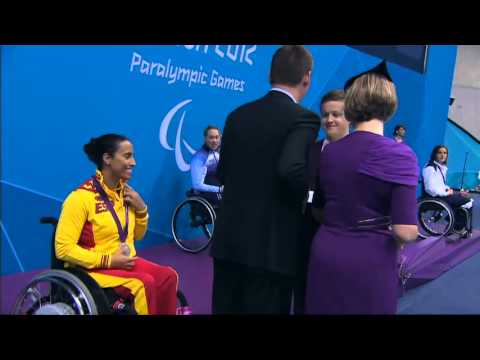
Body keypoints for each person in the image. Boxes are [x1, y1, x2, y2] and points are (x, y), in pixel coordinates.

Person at [210, 45, 321, 314]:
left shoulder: (238, 115)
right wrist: (311, 195)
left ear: (270, 73)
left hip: (229, 243)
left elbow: (222, 173)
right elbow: (290, 168)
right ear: (307, 77)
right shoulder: (304, 118)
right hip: (273, 249)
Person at [305, 61, 419, 314]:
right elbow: (405, 231)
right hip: (370, 259)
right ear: (389, 102)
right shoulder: (401, 155)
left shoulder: (330, 152)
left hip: (324, 251)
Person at [55, 134, 179, 315]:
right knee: (142, 284)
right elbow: (63, 249)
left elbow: (137, 235)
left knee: (168, 277)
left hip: (123, 263)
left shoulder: (126, 194)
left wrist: (142, 210)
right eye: (127, 156)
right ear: (107, 159)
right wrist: (109, 260)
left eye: (133, 156)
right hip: (91, 269)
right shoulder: (80, 198)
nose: (134, 162)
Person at [294, 89, 349, 314]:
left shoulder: (359, 153)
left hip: (343, 236)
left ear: (350, 117)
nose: (330, 120)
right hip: (307, 231)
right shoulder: (310, 150)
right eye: (326, 114)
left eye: (337, 114)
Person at [422, 145, 473, 210]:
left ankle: (457, 219)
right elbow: (430, 189)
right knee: (466, 200)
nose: (442, 155)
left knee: (465, 197)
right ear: (434, 154)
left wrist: (454, 192)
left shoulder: (440, 168)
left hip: (442, 196)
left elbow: (441, 185)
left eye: (445, 153)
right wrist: (446, 193)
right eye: (440, 153)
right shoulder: (430, 168)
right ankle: (457, 219)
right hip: (435, 198)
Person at [190, 125, 222, 208]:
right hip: (204, 193)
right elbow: (197, 185)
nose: (214, 140)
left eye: (216, 137)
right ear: (205, 139)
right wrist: (219, 189)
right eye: (211, 137)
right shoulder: (199, 157)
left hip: (218, 184)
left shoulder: (220, 152)